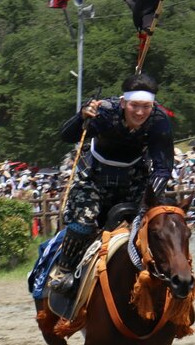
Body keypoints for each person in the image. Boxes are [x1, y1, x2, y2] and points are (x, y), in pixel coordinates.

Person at [35, 72, 173, 305]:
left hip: (135, 180)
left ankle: (170, 272)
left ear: (153, 105)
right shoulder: (103, 112)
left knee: (161, 224)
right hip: (95, 178)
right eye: (134, 106)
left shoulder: (159, 121)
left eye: (146, 106)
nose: (140, 112)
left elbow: (163, 167)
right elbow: (66, 135)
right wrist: (81, 116)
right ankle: (64, 271)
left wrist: (150, 200)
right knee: (83, 222)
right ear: (123, 102)